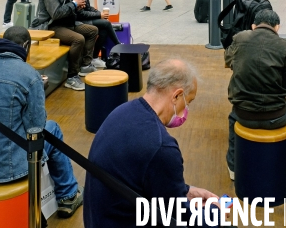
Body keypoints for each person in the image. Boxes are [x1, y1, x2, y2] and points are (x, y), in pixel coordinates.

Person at [84, 59, 220, 228]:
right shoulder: (161, 146)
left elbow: (140, 178)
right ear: (177, 95)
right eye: (188, 102)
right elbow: (178, 215)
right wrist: (215, 212)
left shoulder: (121, 112)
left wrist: (186, 191)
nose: (186, 110)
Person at [0, 26, 84, 218]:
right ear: (26, 46)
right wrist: (38, 90)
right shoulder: (28, 75)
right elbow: (36, 128)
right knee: (53, 129)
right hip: (10, 168)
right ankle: (68, 195)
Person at [225, 9, 286, 180]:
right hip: (276, 116)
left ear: (253, 26)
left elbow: (228, 61)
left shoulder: (240, 38)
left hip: (243, 114)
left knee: (233, 118)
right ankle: (274, 157)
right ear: (277, 27)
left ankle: (234, 167)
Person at [32, 0, 99, 91]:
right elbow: (56, 14)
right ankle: (71, 77)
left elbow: (68, 9)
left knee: (92, 30)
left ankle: (85, 65)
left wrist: (78, 7)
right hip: (51, 26)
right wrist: (74, 4)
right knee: (78, 39)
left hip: (66, 23)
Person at [70, 0, 120, 66]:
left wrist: (98, 13)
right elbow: (80, 14)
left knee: (104, 30)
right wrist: (99, 15)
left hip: (85, 18)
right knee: (106, 23)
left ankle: (95, 56)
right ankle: (118, 44)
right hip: (79, 21)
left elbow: (88, 7)